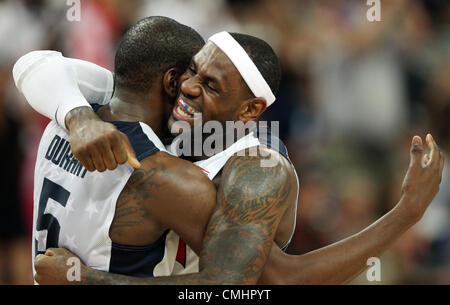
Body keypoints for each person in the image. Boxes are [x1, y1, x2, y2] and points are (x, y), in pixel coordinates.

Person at [15, 19, 444, 284]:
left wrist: (406, 213)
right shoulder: (109, 113)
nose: (188, 87)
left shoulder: (257, 170)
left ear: (250, 110)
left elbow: (265, 281)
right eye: (192, 70)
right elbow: (36, 64)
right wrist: (77, 117)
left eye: (211, 85)